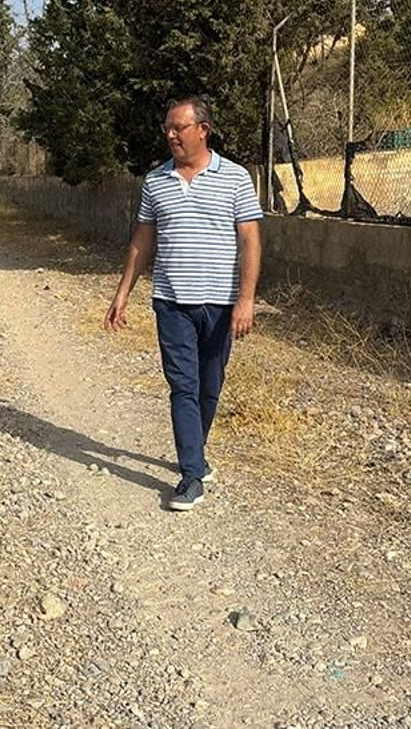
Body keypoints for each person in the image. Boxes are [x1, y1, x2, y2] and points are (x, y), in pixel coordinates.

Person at [104, 96, 263, 511]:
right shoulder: (155, 181)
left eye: (179, 128)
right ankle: (191, 474)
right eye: (168, 129)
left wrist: (246, 299)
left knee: (210, 386)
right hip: (171, 301)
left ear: (203, 130)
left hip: (220, 303)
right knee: (183, 386)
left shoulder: (235, 178)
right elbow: (143, 240)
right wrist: (123, 292)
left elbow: (250, 240)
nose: (171, 135)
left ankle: (196, 453)